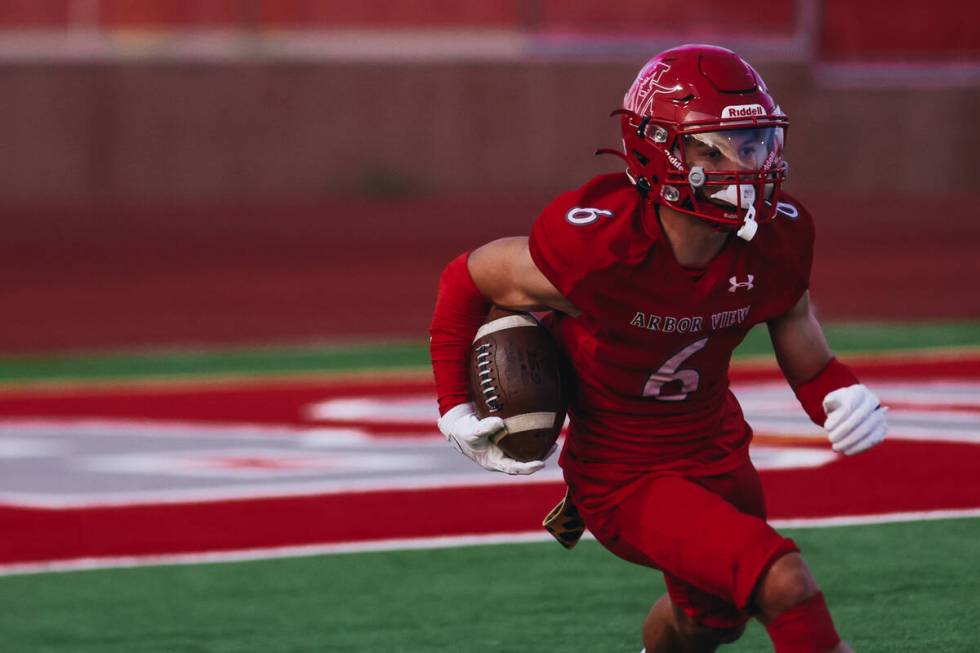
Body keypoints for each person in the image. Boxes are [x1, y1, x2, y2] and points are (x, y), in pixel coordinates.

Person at [428, 44, 888, 653]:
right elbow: (468, 277)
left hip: (720, 453)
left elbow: (796, 324)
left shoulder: (778, 234)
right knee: (783, 580)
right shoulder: (598, 248)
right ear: (660, 150)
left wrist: (836, 389)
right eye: (717, 146)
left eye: (755, 142)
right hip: (624, 476)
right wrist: (453, 404)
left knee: (710, 623)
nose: (748, 163)